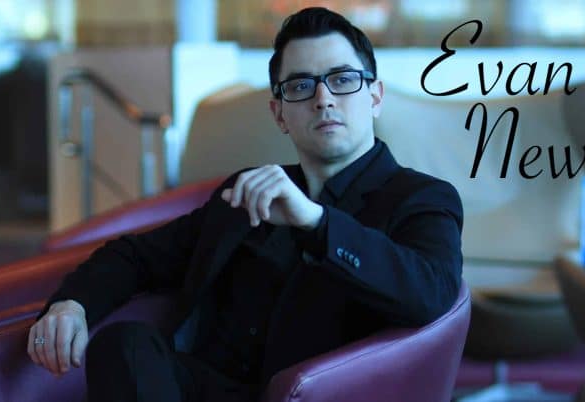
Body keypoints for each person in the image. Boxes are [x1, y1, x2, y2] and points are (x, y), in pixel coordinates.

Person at [28, 7, 463, 402]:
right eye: (301, 86)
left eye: (343, 79)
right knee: (124, 345)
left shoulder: (420, 197)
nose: (324, 98)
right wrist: (72, 304)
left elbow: (431, 294)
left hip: (315, 394)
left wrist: (316, 222)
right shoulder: (249, 190)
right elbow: (137, 255)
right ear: (279, 114)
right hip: (203, 387)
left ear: (375, 96)